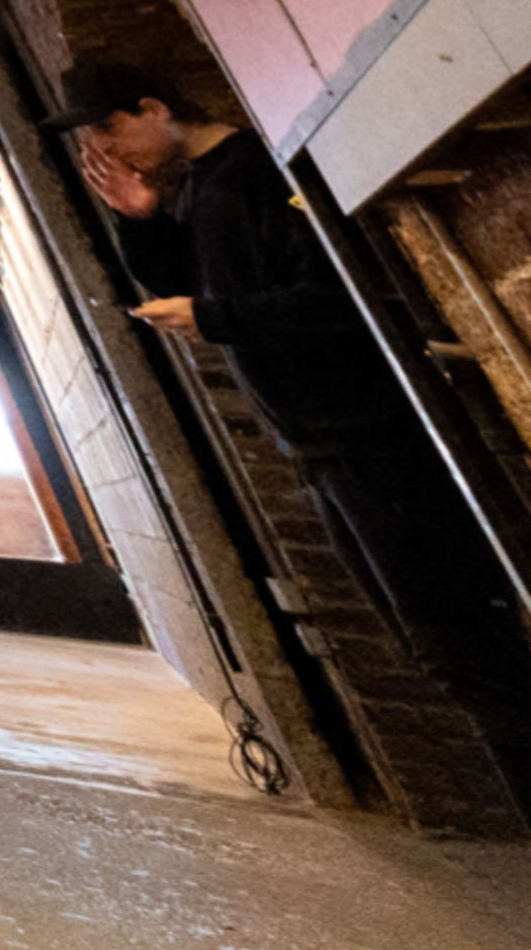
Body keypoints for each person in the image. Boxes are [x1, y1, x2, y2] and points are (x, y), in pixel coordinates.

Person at [59, 58, 531, 795]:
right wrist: (140, 224)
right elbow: (194, 286)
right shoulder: (201, 191)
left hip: (374, 437)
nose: (109, 151)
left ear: (155, 104)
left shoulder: (259, 172)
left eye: (111, 128)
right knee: (431, 646)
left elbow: (351, 301)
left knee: (463, 645)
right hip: (322, 449)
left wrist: (215, 318)